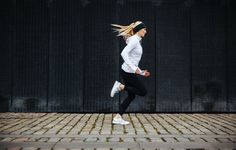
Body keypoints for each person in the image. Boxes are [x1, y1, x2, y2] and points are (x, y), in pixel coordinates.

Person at [110, 21, 150, 125]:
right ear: (139, 30)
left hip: (127, 71)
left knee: (131, 96)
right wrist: (133, 68)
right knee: (143, 91)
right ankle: (120, 87)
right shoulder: (135, 41)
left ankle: (118, 117)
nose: (146, 31)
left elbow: (133, 59)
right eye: (144, 29)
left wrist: (141, 72)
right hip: (128, 72)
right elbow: (123, 53)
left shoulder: (136, 40)